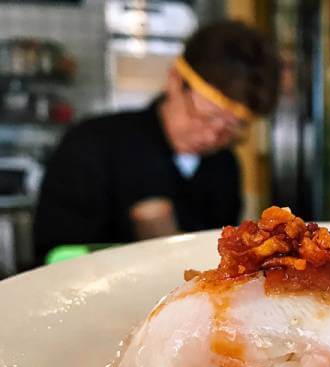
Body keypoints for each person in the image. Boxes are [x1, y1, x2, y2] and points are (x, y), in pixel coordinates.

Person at [33, 20, 279, 263]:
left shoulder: (225, 165)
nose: (212, 136)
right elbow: (56, 254)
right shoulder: (91, 144)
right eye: (208, 116)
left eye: (232, 127)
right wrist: (148, 249)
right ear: (174, 80)